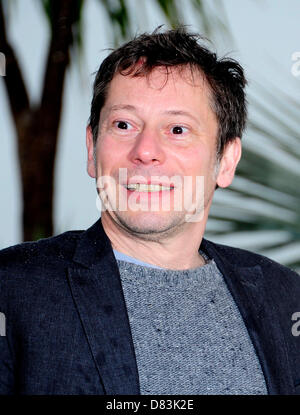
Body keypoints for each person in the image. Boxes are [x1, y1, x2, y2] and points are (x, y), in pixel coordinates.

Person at [0, 27, 299, 396]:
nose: (145, 150)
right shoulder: (11, 289)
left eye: (177, 128)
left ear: (226, 160)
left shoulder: (286, 298)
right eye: (124, 125)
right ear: (92, 149)